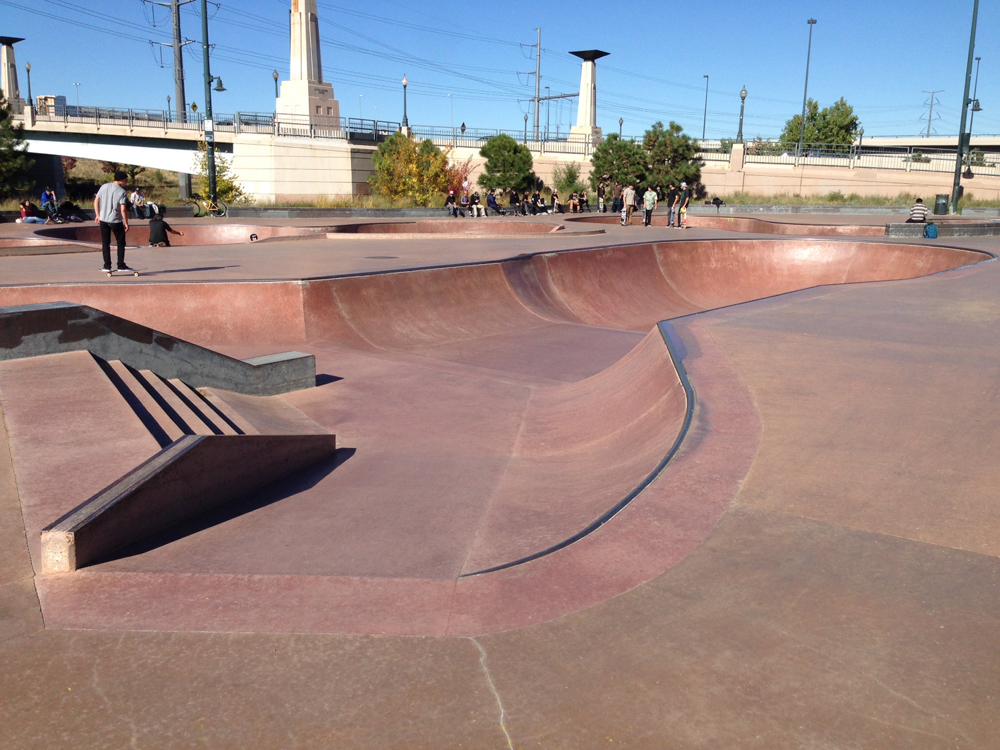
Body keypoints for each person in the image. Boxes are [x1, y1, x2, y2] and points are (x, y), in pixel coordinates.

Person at [94, 170, 132, 273]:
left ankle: (107, 266)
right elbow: (123, 209)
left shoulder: (104, 186)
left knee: (105, 243)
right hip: (115, 220)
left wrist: (97, 215)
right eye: (126, 181)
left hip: (103, 220)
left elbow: (96, 200)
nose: (126, 183)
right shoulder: (122, 192)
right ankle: (121, 265)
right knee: (120, 242)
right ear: (122, 180)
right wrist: (126, 223)